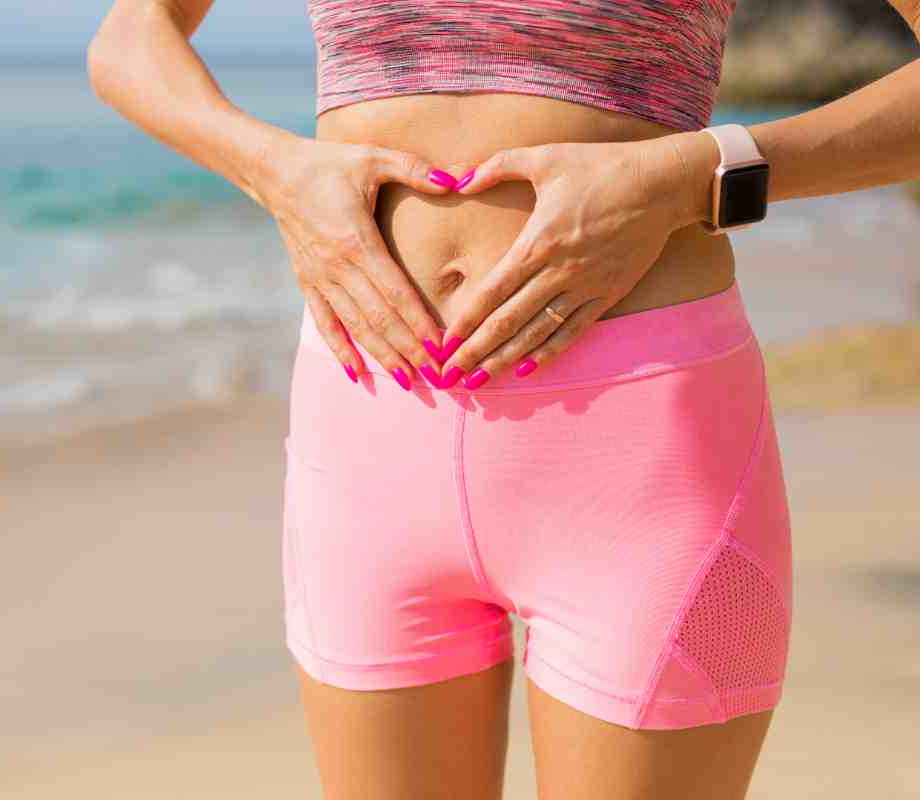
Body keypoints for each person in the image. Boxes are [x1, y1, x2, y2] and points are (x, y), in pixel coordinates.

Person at [87, 2, 920, 797]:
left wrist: (694, 174)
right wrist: (277, 172)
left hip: (639, 451)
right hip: (364, 434)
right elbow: (132, 36)